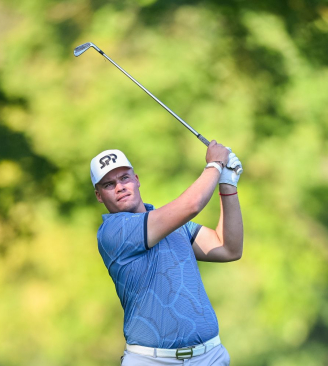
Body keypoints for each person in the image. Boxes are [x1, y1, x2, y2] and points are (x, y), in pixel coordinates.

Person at [90, 140, 243, 365]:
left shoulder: (174, 226)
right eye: (109, 184)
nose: (120, 187)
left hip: (209, 357)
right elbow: (192, 205)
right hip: (151, 360)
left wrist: (227, 184)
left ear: (137, 180)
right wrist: (215, 164)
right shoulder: (113, 232)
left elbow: (228, 248)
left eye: (124, 178)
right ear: (99, 196)